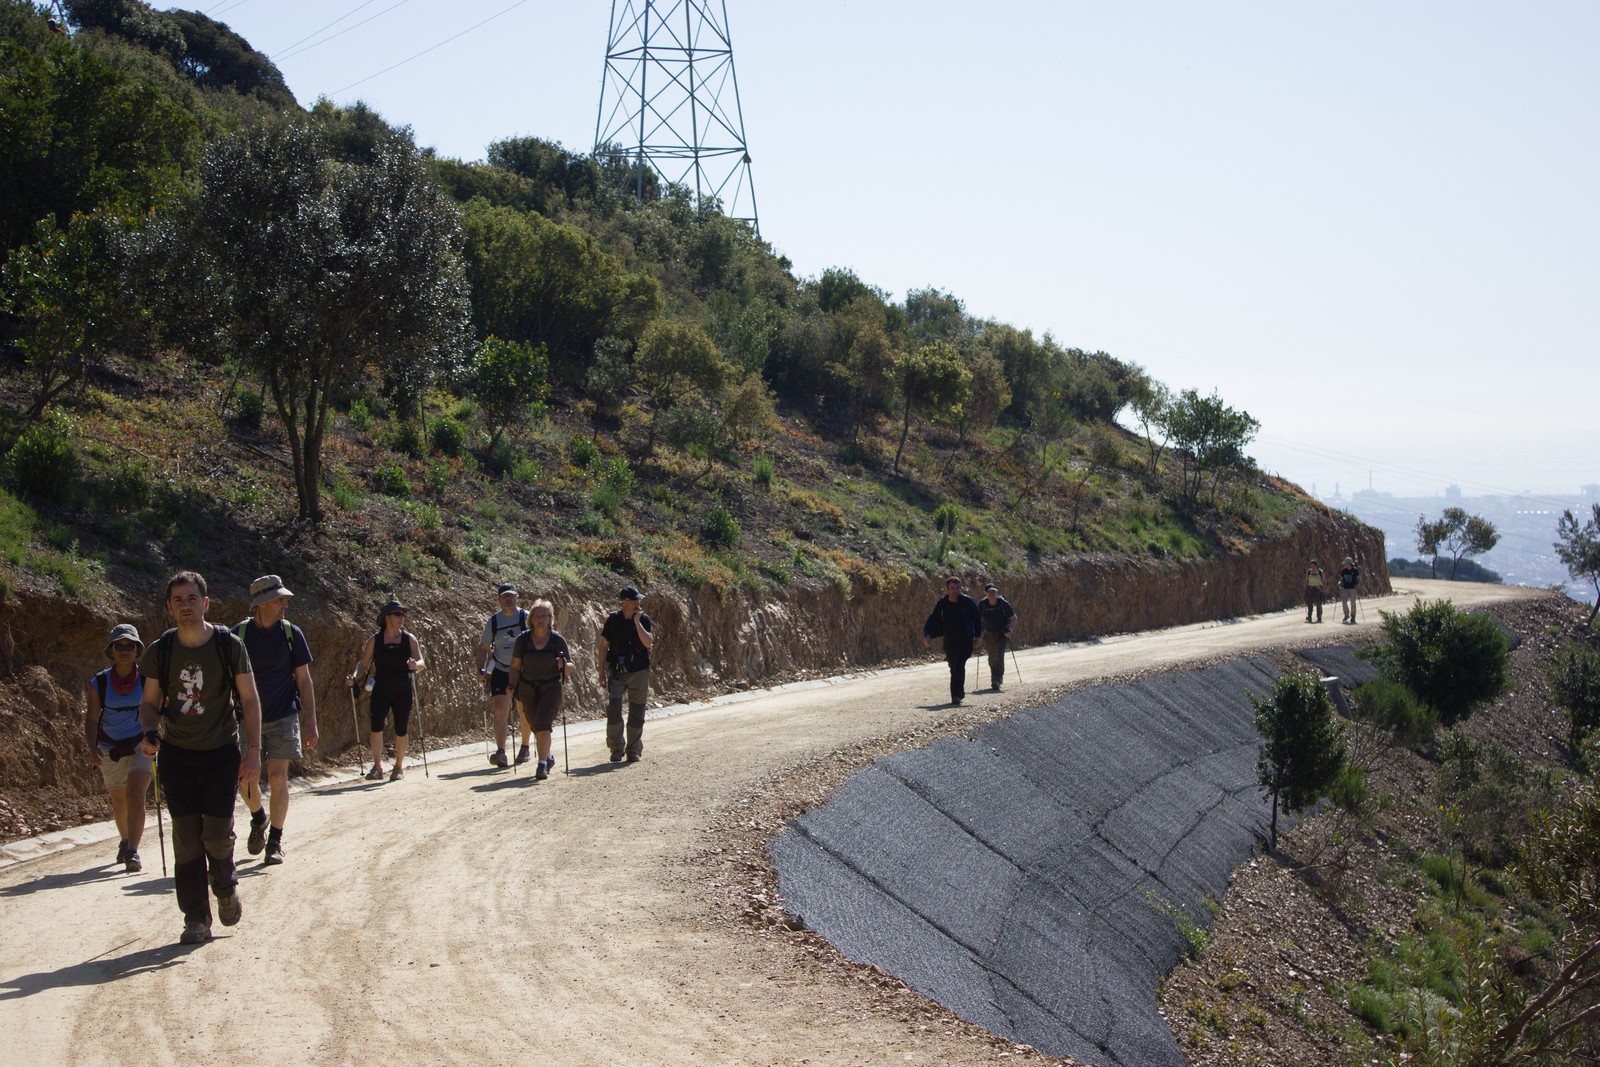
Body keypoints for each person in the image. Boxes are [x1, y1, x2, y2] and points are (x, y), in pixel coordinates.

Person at [137, 571, 262, 946]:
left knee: (216, 834)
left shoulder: (228, 645)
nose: (185, 606)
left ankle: (225, 888)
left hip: (221, 752)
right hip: (177, 755)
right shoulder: (161, 650)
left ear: (205, 603)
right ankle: (195, 918)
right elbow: (149, 702)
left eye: (192, 598)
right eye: (178, 600)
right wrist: (149, 732)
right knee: (187, 838)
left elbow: (250, 699)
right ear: (169, 607)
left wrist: (253, 752)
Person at [234, 575, 317, 866]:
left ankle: (275, 841)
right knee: (246, 779)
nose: (285, 604)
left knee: (279, 776)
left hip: (284, 714)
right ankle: (259, 817)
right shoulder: (239, 635)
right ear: (262, 603)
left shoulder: (291, 633)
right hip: (247, 720)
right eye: (280, 600)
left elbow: (304, 680)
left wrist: (311, 722)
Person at [85, 623, 152, 874]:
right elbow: (92, 719)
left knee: (135, 794)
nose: (124, 650)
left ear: (137, 651)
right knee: (119, 801)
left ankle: (133, 850)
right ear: (111, 651)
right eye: (119, 646)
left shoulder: (147, 680)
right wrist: (91, 746)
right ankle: (125, 840)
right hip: (109, 747)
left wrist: (152, 736)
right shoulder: (99, 683)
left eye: (129, 646)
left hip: (139, 745)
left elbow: (155, 710)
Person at [346, 600, 425, 782]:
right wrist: (354, 676)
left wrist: (415, 665)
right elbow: (363, 664)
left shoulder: (409, 639)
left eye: (403, 614)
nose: (401, 618)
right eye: (397, 614)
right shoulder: (375, 640)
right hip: (381, 689)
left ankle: (398, 767)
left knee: (401, 728)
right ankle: (377, 767)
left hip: (403, 689)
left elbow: (422, 663)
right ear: (387, 618)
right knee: (376, 727)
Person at [506, 599, 573, 781]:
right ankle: (548, 756)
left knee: (543, 724)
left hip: (551, 688)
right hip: (527, 688)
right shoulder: (523, 640)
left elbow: (570, 666)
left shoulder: (557, 640)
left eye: (544, 616)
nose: (541, 619)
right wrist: (512, 684)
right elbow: (515, 666)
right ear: (531, 619)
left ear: (550, 618)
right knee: (535, 725)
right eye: (537, 616)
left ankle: (542, 764)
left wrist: (563, 665)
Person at [596, 585, 654, 763]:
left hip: (639, 671)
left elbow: (648, 642)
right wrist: (601, 672)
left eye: (638, 600)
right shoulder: (613, 620)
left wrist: (636, 623)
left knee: (637, 710)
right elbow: (603, 646)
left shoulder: (644, 619)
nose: (638, 603)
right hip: (617, 671)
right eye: (634, 600)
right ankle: (616, 748)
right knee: (614, 708)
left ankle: (633, 750)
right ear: (624, 602)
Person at [475, 583, 528, 769]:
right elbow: (483, 647)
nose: (508, 599)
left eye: (511, 595)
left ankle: (525, 747)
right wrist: (480, 669)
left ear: (517, 597)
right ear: (499, 599)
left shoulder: (525, 617)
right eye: (504, 596)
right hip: (500, 669)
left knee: (523, 709)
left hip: (522, 670)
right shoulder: (494, 621)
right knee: (499, 709)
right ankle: (501, 752)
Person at [923, 577, 982, 705]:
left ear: (960, 588)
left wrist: (978, 636)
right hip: (950, 641)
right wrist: (928, 635)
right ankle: (959, 693)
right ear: (947, 589)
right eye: (952, 588)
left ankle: (956, 695)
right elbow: (933, 618)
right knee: (953, 666)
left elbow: (977, 618)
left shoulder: (968, 602)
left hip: (965, 640)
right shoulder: (942, 603)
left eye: (957, 588)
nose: (955, 590)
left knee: (959, 664)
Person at [977, 583, 1017, 692]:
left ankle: (997, 680)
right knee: (991, 658)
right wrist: (978, 632)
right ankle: (994, 676)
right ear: (985, 593)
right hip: (988, 634)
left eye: (994, 591)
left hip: (1002, 634)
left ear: (997, 592)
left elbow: (1013, 618)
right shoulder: (982, 604)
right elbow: (977, 619)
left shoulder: (1002, 603)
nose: (992, 594)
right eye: (990, 592)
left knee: (999, 655)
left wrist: (1010, 629)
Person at [1338, 557, 1361, 624]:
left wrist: (1357, 584)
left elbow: (1358, 579)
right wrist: (1340, 583)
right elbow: (1341, 579)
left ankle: (1353, 616)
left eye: (1346, 563)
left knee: (1353, 603)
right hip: (1345, 588)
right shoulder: (1343, 571)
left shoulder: (1355, 571)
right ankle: (1346, 614)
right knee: (1344, 601)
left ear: (1349, 563)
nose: (1345, 564)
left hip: (1353, 588)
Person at [1304, 558, 1325, 623]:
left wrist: (1322, 588)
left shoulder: (1320, 572)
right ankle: (1309, 617)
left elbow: (1324, 580)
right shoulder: (1309, 572)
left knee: (1318, 604)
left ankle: (1319, 617)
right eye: (1311, 566)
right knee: (1310, 603)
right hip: (1310, 589)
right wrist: (1306, 588)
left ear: (1316, 565)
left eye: (1314, 565)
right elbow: (1306, 581)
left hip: (1318, 589)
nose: (1312, 567)